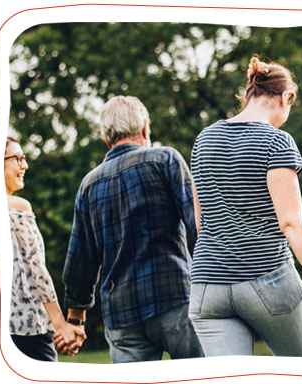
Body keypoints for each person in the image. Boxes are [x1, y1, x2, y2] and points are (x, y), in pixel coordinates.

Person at [188, 55, 302, 357]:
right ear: (287, 97)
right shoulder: (276, 141)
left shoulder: (204, 140)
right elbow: (291, 224)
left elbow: (201, 222)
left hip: (208, 288)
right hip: (267, 281)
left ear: (248, 94)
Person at [59, 96, 204, 363]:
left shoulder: (88, 185)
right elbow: (200, 224)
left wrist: (76, 318)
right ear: (145, 129)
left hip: (121, 314)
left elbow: (81, 259)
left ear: (106, 138)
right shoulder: (165, 159)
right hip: (175, 298)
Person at [5, 136, 86, 361]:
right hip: (27, 327)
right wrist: (61, 324)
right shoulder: (18, 208)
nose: (24, 164)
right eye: (17, 158)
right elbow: (36, 270)